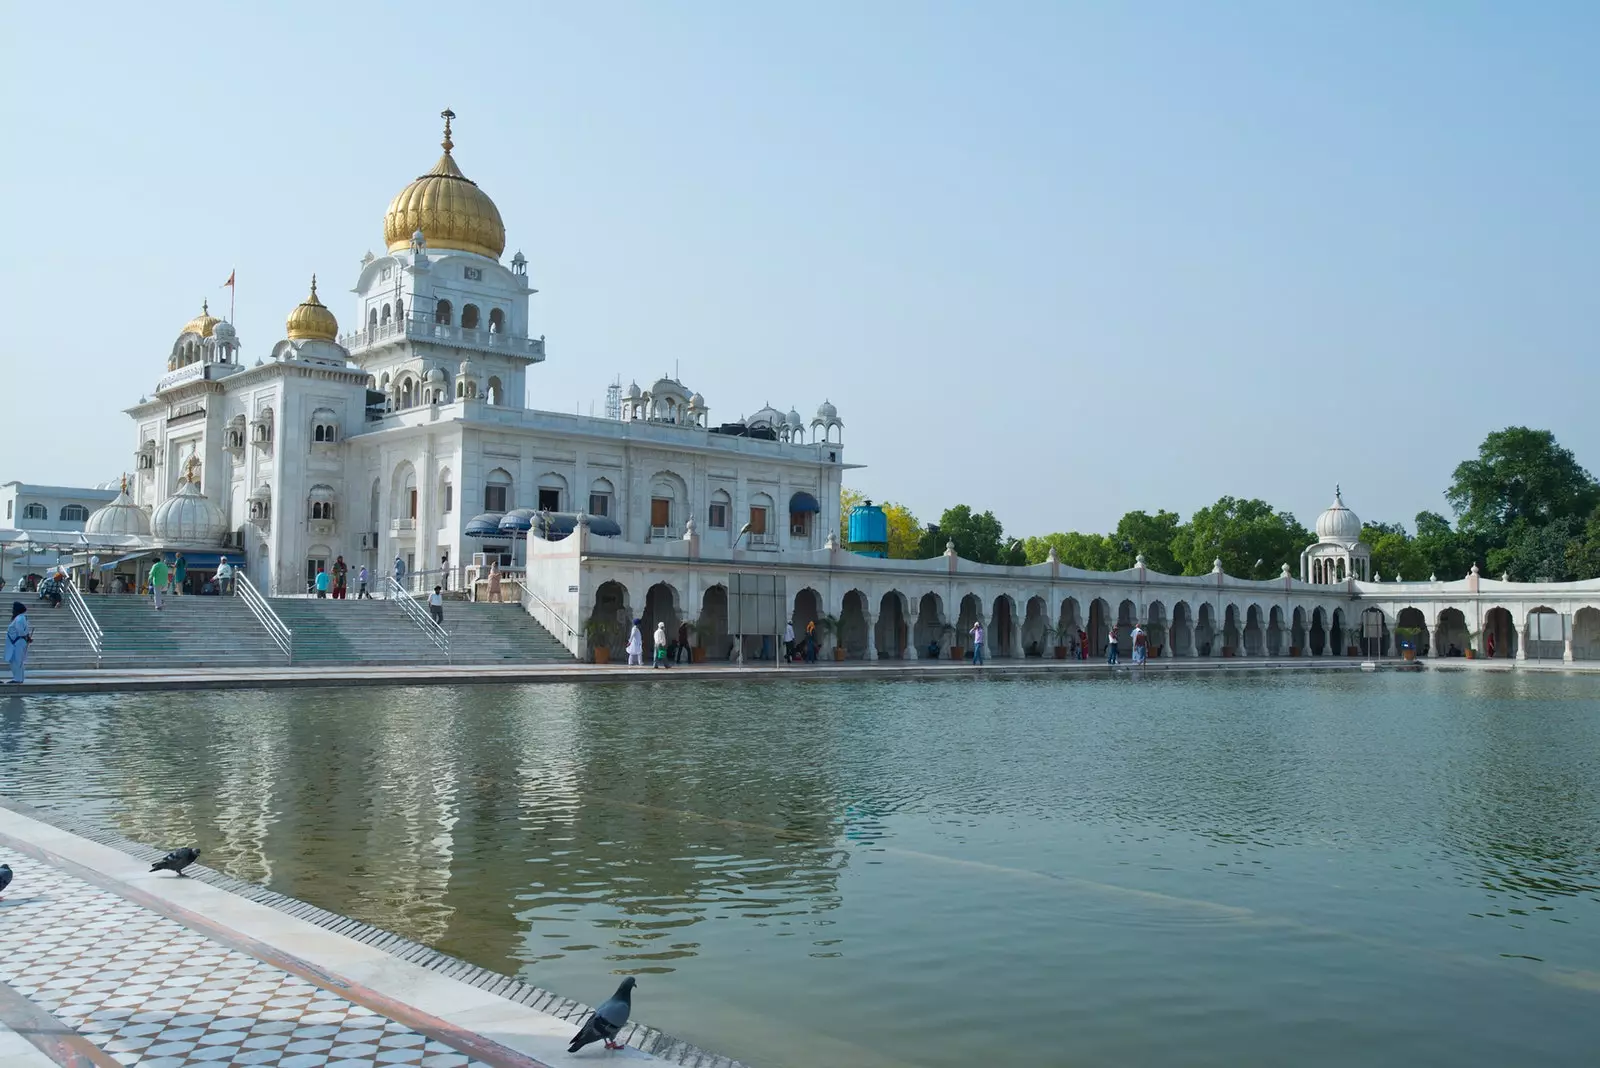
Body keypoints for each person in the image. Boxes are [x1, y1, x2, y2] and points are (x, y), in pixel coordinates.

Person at [5, 602, 31, 684]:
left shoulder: (19, 619)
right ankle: (19, 678)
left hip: (17, 643)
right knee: (18, 661)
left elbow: (20, 631)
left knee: (16, 661)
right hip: (17, 642)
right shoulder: (22, 618)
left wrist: (26, 637)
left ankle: (17, 679)